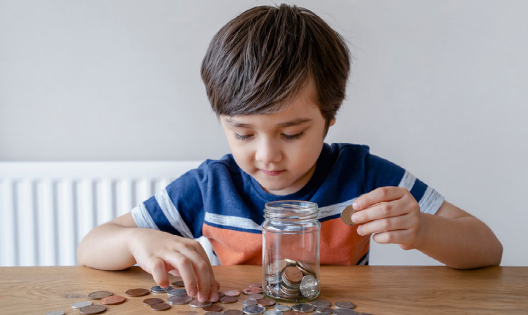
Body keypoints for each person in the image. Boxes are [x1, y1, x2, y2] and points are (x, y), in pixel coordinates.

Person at [77, 3, 503, 304]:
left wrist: (423, 229)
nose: (267, 155)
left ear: (329, 119)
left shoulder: (364, 175)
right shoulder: (211, 186)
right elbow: (90, 247)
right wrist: (136, 239)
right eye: (243, 133)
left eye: (293, 133)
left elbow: (487, 248)